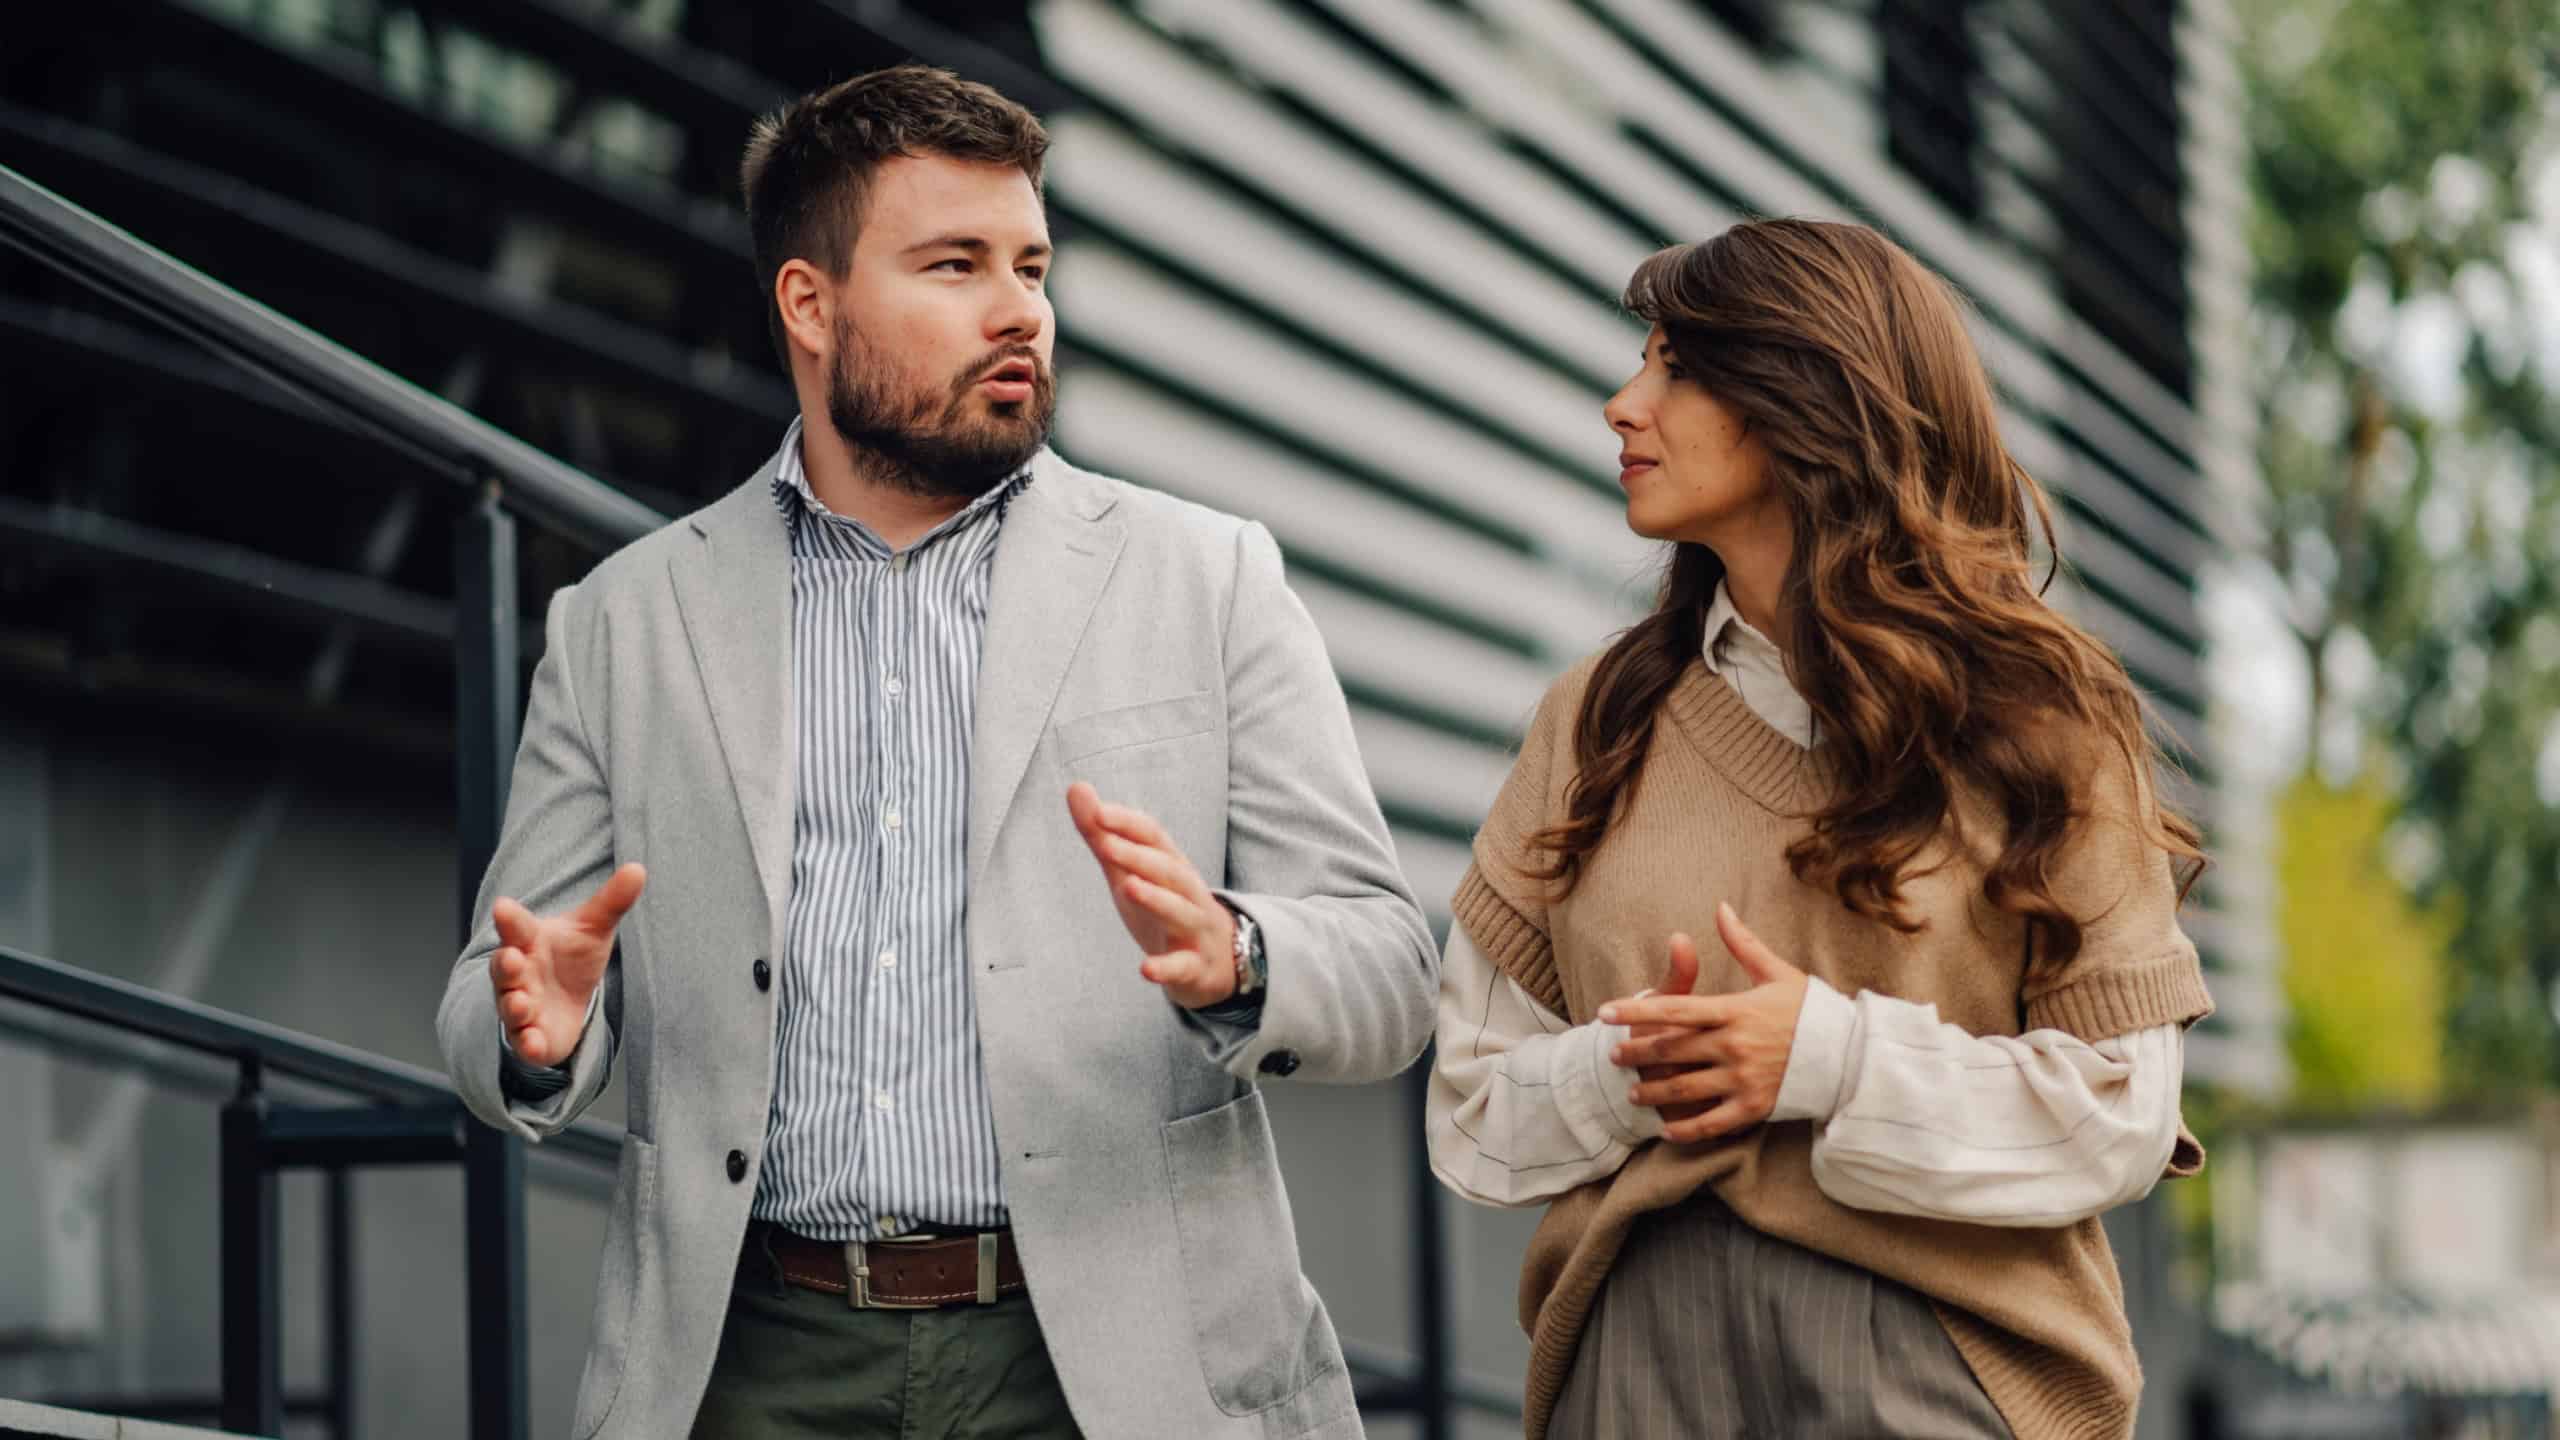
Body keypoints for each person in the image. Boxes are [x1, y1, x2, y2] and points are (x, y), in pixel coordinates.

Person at [435, 64, 1435, 1440]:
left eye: (1031, 263)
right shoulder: (625, 620)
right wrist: (535, 1031)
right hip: (752, 1364)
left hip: (1115, 1367)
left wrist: (1241, 956)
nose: (1018, 307)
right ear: (810, 303)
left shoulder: (1207, 579)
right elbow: (492, 999)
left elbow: (1391, 965)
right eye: (955, 264)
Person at [1427, 218, 2213, 1439]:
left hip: (1934, 1368)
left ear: (1809, 396)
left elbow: (2120, 1115)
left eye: (1676, 366)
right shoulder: (1591, 724)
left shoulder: (2042, 721)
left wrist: (1826, 1059)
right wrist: (1638, 1069)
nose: (1621, 403)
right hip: (1632, 1365)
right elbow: (1473, 1108)